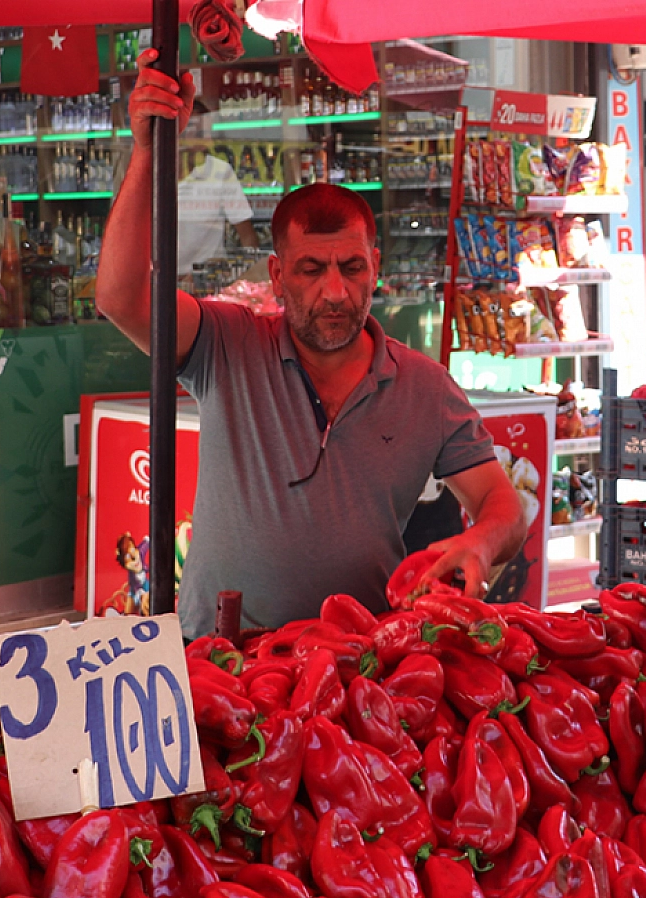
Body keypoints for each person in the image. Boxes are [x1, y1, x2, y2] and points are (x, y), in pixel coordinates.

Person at [96, 50, 526, 637]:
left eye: (352, 267)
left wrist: (480, 541)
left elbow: (504, 504)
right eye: (310, 270)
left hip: (357, 669)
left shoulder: (425, 387)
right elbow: (122, 297)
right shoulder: (227, 345)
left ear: (377, 264)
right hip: (221, 659)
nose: (335, 292)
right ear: (275, 275)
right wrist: (147, 151)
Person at [176, 148, 259, 275]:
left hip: (208, 279)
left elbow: (247, 237)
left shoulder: (220, 171)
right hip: (157, 283)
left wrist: (249, 281)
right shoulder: (149, 169)